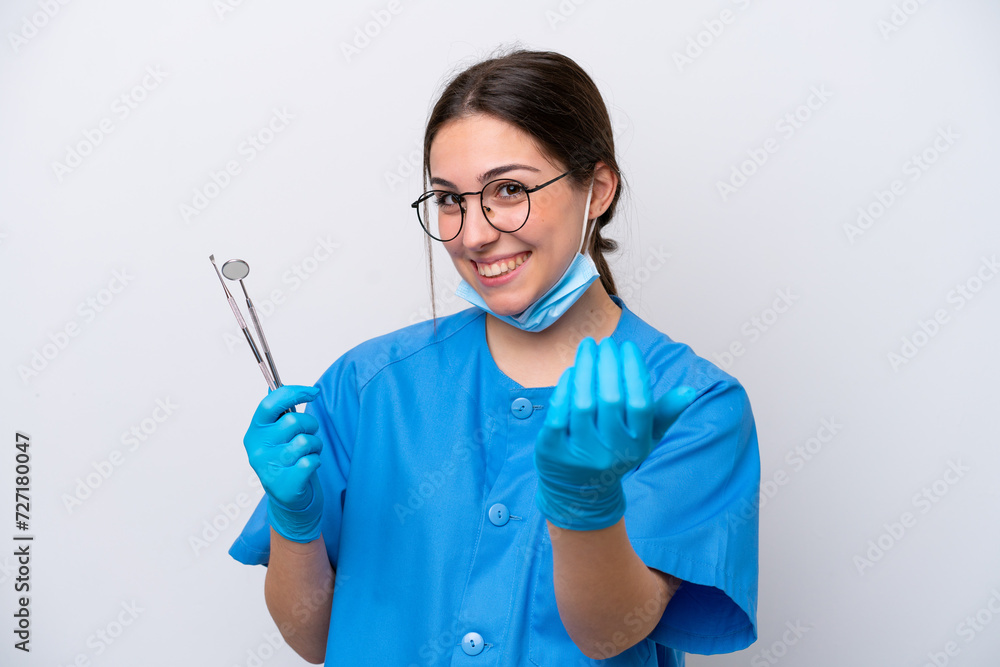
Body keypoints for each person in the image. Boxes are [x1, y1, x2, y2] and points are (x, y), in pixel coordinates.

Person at [230, 49, 760, 666]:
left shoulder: (690, 404)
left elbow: (610, 633)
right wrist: (296, 519)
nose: (474, 233)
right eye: (449, 200)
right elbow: (313, 639)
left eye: (508, 190)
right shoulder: (370, 386)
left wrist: (585, 513)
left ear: (598, 189)